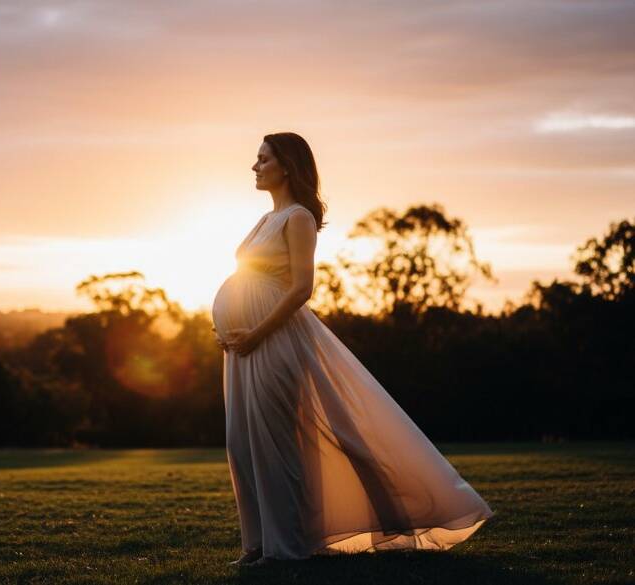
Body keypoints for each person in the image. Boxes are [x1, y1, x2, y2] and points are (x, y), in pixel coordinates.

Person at [210, 132, 494, 567]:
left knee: (275, 442)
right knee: (242, 443)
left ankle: (286, 550)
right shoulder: (264, 220)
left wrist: (257, 331)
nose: (255, 166)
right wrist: (230, 328)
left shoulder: (298, 218)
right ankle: (257, 544)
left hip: (273, 340)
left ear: (286, 165)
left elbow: (302, 287)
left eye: (263, 159)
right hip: (242, 346)